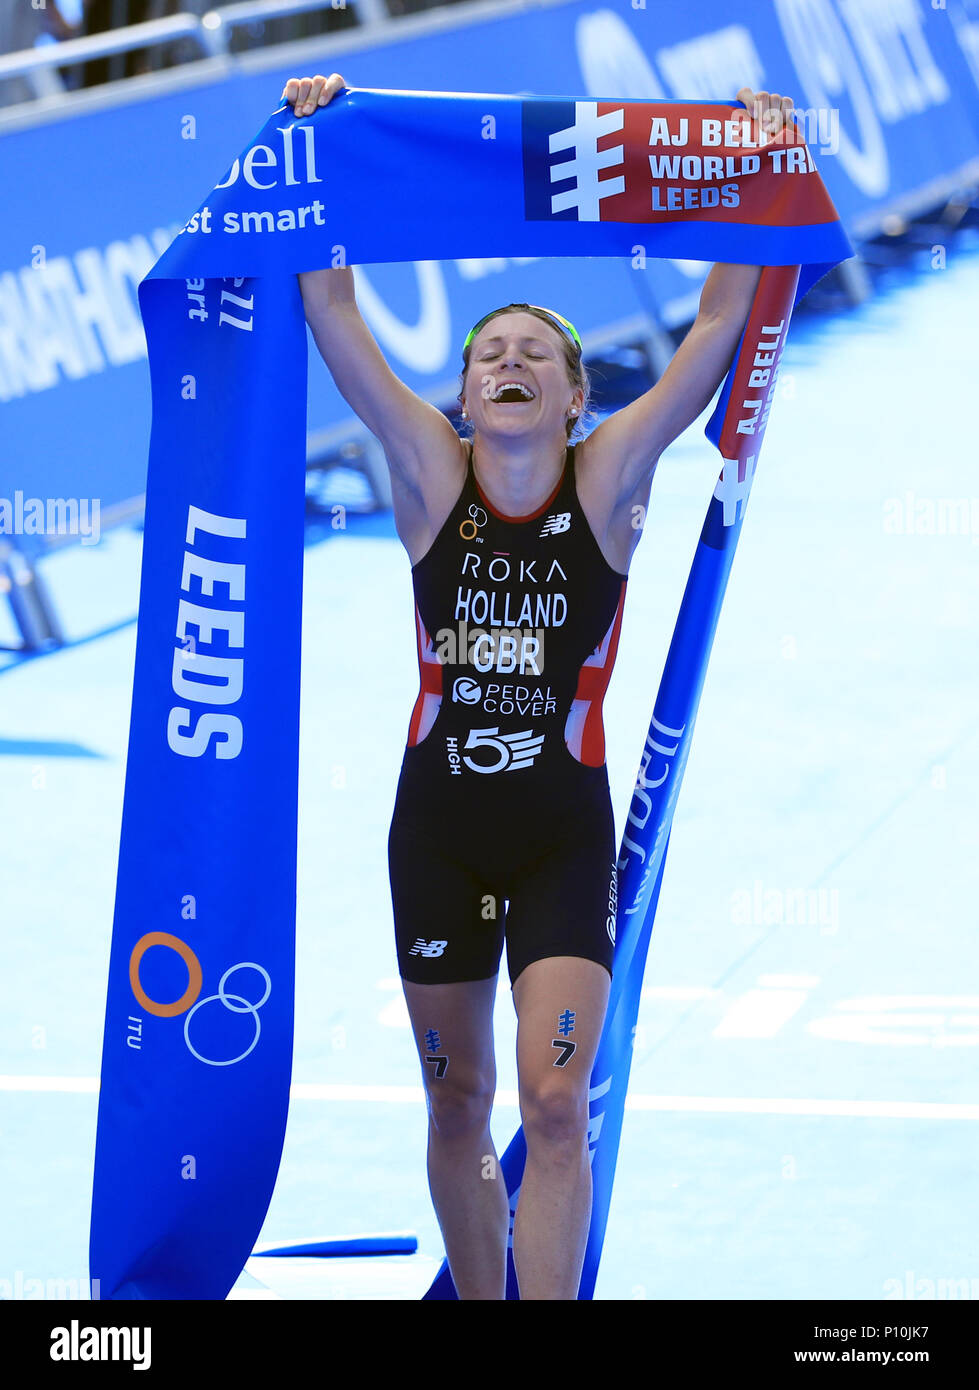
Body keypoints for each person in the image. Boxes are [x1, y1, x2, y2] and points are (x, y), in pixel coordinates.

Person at [286, 72, 795, 1300]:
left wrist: (756, 159)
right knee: (458, 1103)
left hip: (560, 830)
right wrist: (320, 143)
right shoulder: (427, 474)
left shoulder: (610, 475)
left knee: (555, 1104)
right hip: (440, 832)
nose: (508, 362)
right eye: (487, 353)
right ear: (463, 396)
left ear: (575, 397)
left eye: (536, 355)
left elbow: (715, 331)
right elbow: (333, 309)